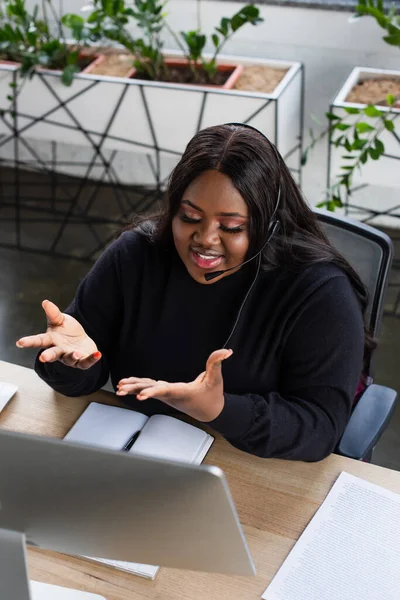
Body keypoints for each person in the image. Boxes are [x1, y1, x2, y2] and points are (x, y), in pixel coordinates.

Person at [16, 123, 367, 461]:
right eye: (189, 217)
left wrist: (221, 409)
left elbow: (321, 428)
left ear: (268, 224)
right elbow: (81, 379)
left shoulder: (320, 292)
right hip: (140, 454)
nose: (205, 239)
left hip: (250, 465)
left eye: (230, 227)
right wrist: (72, 363)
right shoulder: (136, 255)